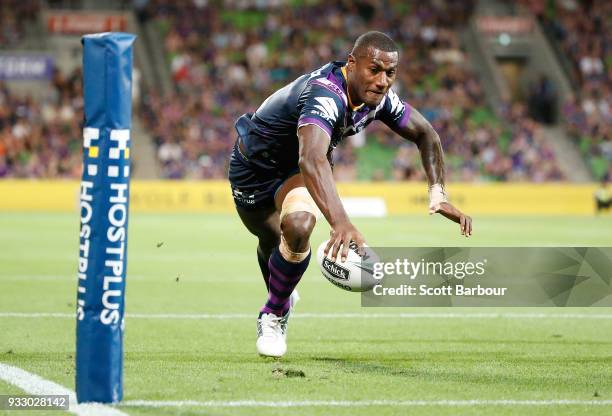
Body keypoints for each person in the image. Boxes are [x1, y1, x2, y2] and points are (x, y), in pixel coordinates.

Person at [228, 31, 472, 358]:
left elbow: (426, 134)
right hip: (253, 167)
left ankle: (273, 313)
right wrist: (341, 223)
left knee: (299, 227)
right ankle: (283, 289)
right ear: (352, 64)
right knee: (271, 241)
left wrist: (437, 193)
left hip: (296, 173)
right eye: (375, 70)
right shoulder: (325, 94)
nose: (383, 81)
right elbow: (312, 157)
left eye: (390, 73)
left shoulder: (379, 97)